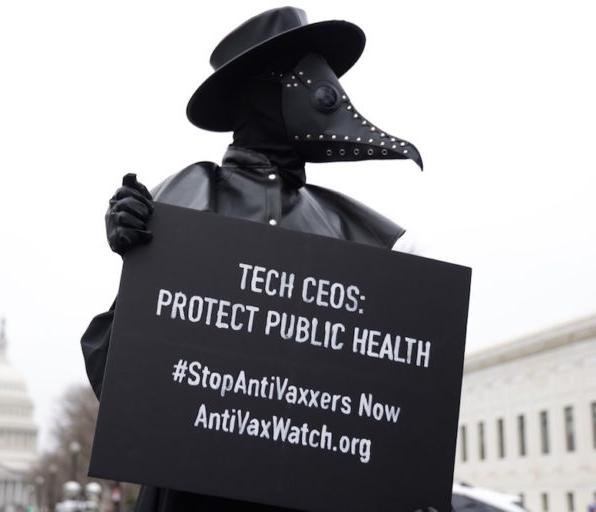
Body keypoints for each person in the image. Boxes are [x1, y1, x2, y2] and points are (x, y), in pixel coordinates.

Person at [81, 7, 424, 511]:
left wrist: (411, 475)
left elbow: (378, 392)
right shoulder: (187, 198)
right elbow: (121, 373)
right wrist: (140, 271)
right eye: (309, 77)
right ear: (263, 93)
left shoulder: (352, 230)